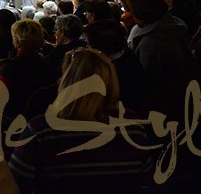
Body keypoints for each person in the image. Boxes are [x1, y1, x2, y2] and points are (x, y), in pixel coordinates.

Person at [9, 49, 153, 193]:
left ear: (65, 81)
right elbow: (146, 183)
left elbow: (14, 185)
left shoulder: (41, 132)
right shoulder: (133, 129)